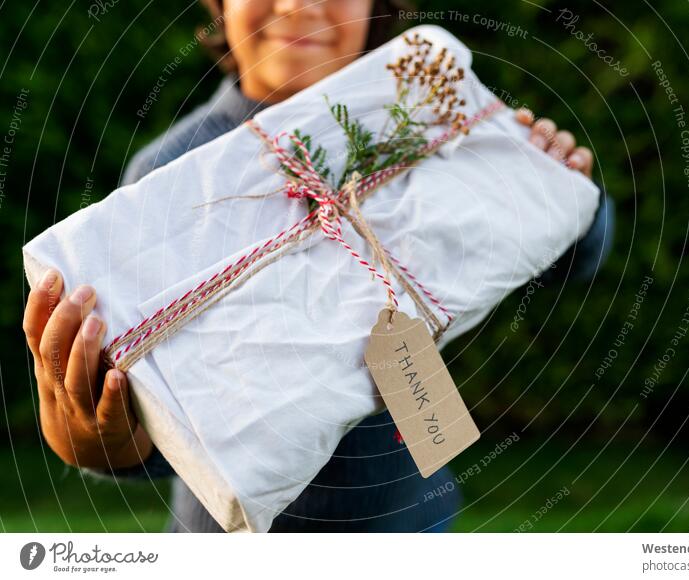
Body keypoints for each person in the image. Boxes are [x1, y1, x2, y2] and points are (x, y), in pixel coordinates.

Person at [22, 0, 614, 532]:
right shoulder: (170, 178)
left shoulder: (415, 107)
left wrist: (560, 189)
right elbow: (160, 428)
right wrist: (94, 437)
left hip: (413, 526)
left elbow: (549, 253)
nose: (299, 5)